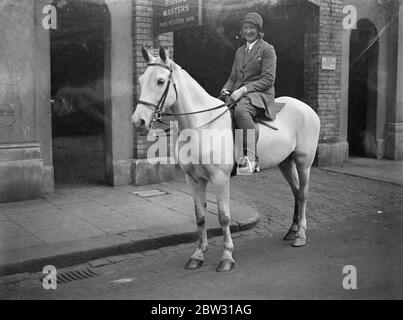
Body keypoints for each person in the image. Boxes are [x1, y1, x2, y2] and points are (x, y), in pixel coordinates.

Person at [221, 12, 277, 175]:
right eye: (245, 28)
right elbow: (233, 77)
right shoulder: (240, 51)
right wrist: (226, 89)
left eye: (251, 28)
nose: (248, 31)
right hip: (240, 94)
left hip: (260, 95)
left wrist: (243, 90)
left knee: (240, 111)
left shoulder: (267, 49)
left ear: (258, 30)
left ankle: (252, 159)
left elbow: (268, 79)